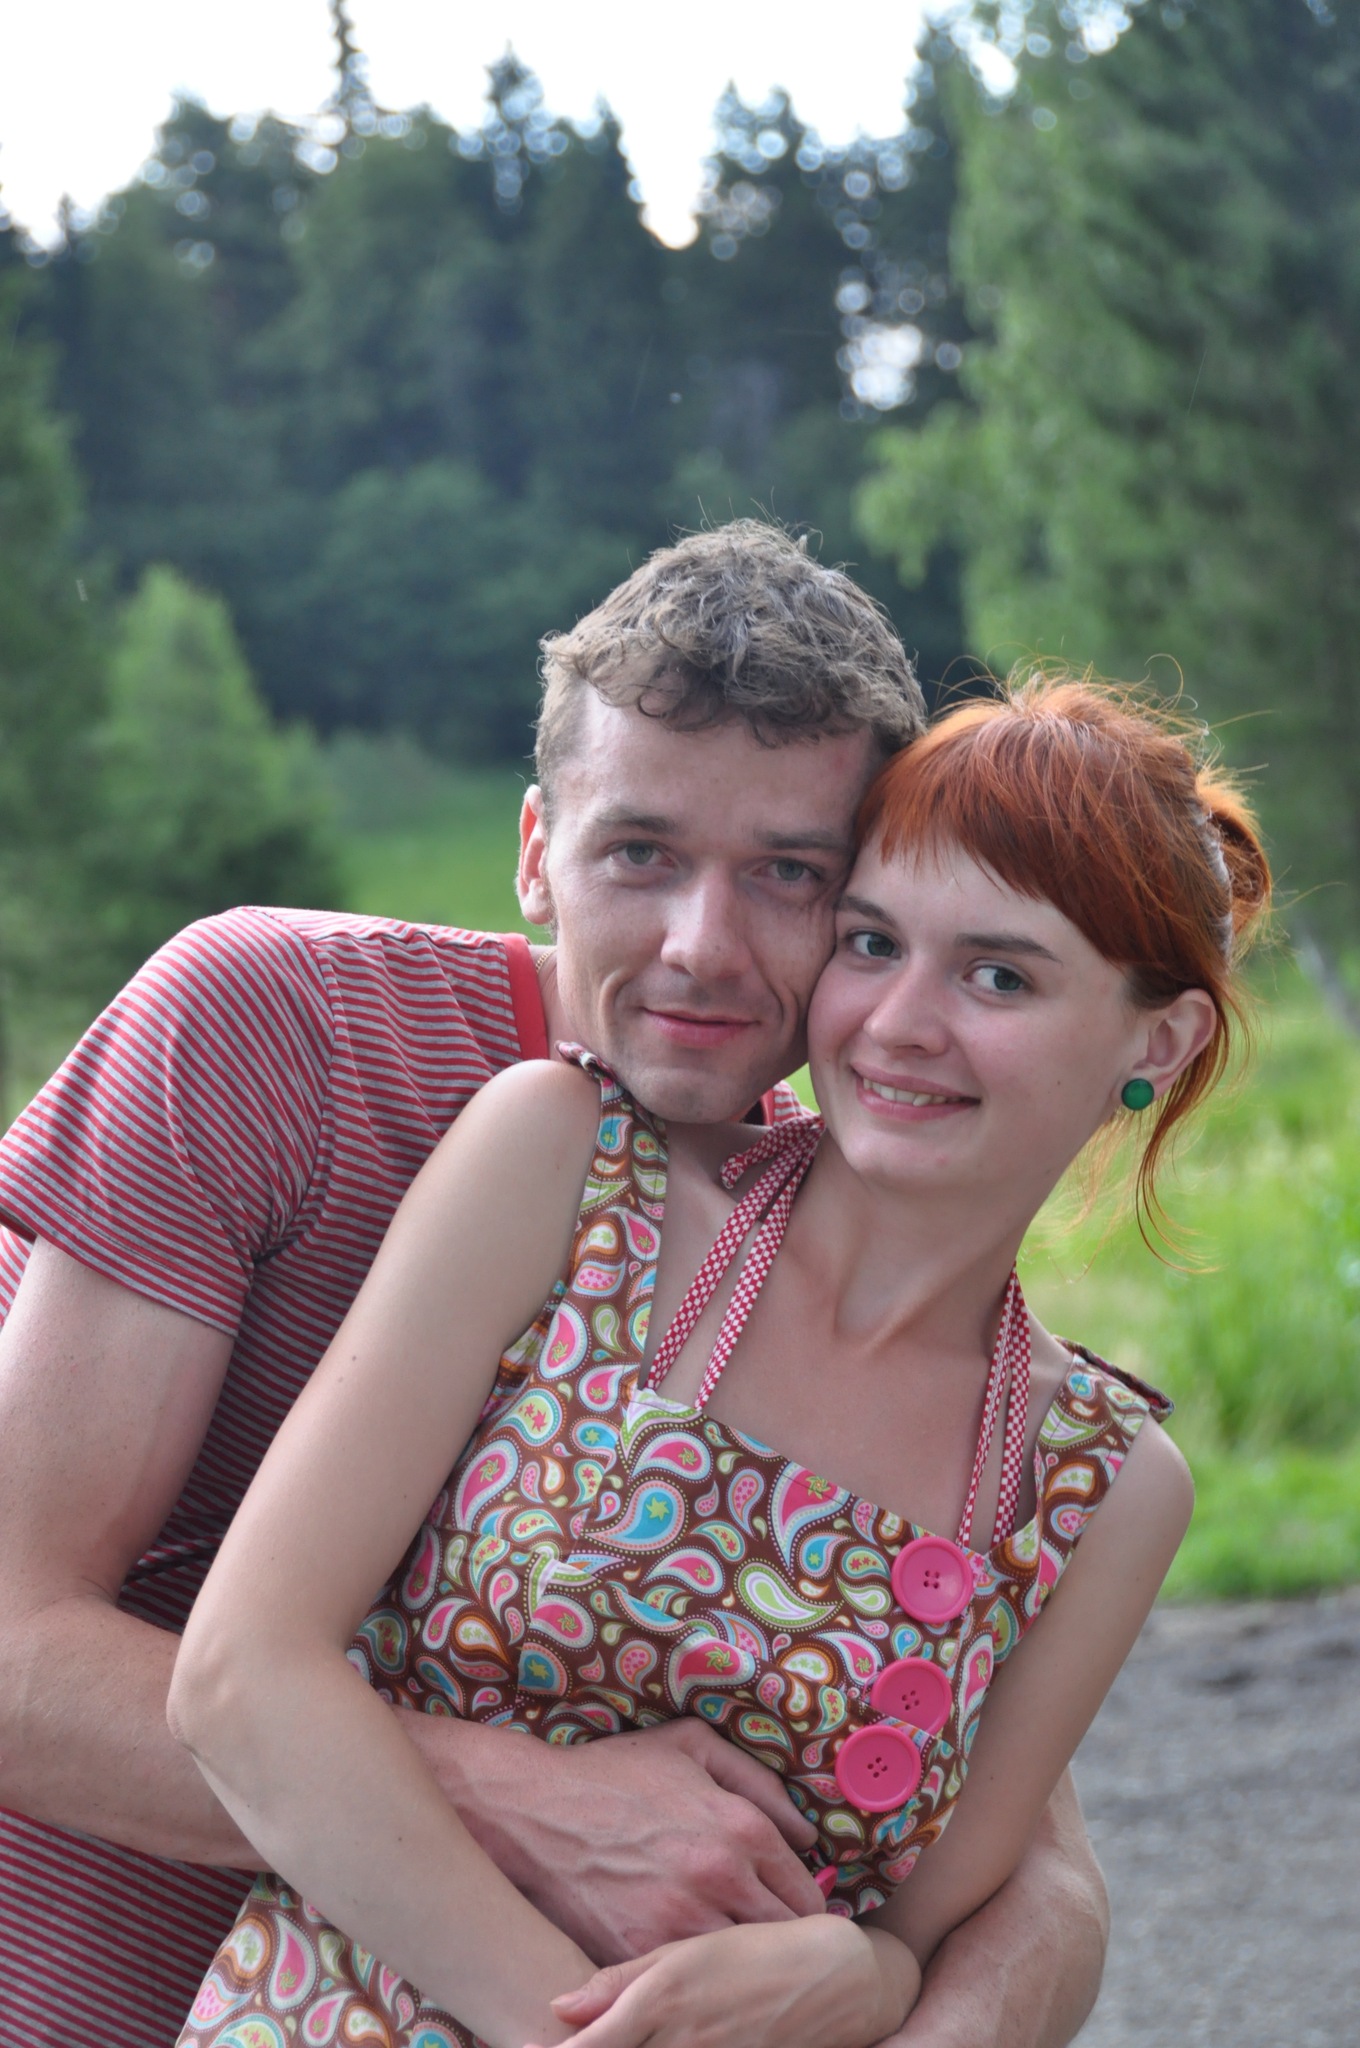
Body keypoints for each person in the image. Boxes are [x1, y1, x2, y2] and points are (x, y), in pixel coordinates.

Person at [0, 523, 1106, 2048]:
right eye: (639, 853)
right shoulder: (276, 1030)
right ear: (535, 852)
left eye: (788, 875)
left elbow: (1034, 1872)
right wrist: (515, 1799)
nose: (703, 948)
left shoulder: (822, 1216)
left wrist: (889, 1982)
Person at [166, 674, 1270, 2048]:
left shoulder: (1099, 1487)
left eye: (999, 974)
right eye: (872, 943)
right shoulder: (567, 1172)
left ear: (1160, 1041)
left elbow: (926, 1935)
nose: (899, 1022)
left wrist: (873, 1977)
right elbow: (240, 1681)